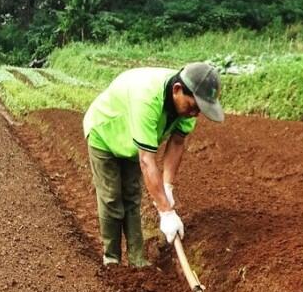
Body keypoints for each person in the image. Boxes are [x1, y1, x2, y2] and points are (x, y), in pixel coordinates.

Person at [82, 62, 224, 266]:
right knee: (112, 198)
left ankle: (137, 259)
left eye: (199, 110)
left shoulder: (187, 108)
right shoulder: (147, 98)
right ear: (177, 90)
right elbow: (147, 160)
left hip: (132, 142)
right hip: (104, 133)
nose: (195, 114)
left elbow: (177, 142)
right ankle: (111, 259)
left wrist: (167, 187)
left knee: (132, 197)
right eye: (194, 107)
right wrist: (166, 212)